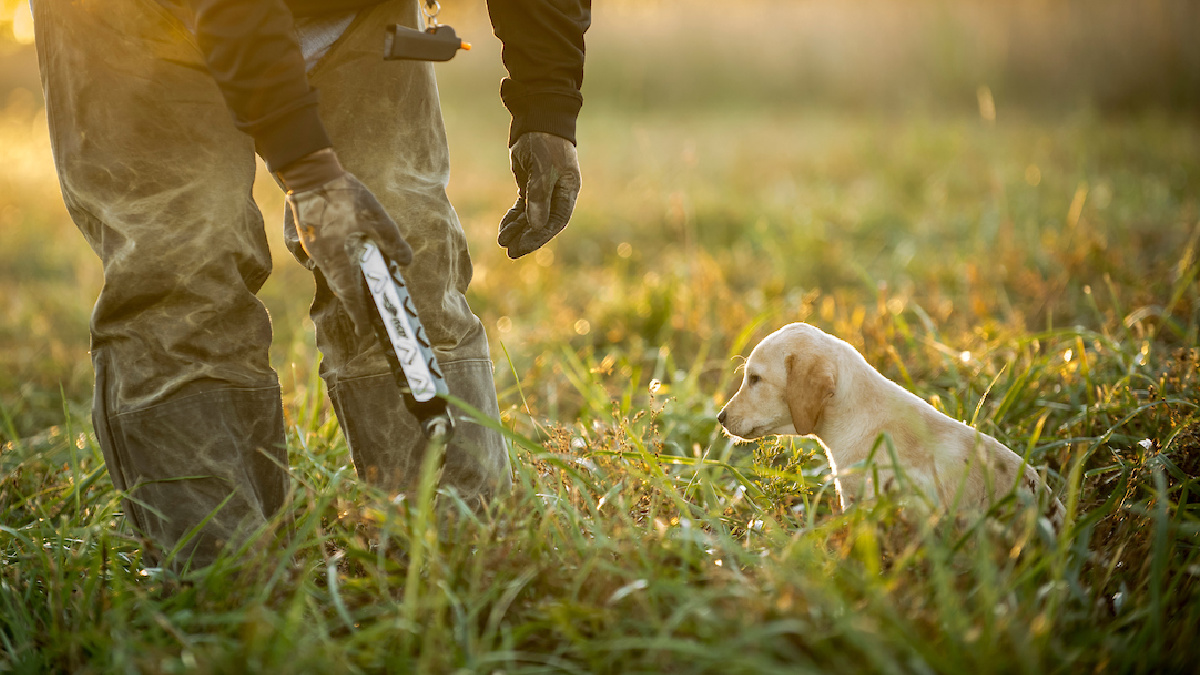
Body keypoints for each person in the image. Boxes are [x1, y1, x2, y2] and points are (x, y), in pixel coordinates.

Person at [31, 0, 589, 569]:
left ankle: (458, 552)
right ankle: (220, 581)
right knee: (186, 262)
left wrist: (548, 104)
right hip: (128, 16)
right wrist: (310, 174)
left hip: (352, 12)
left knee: (399, 250)